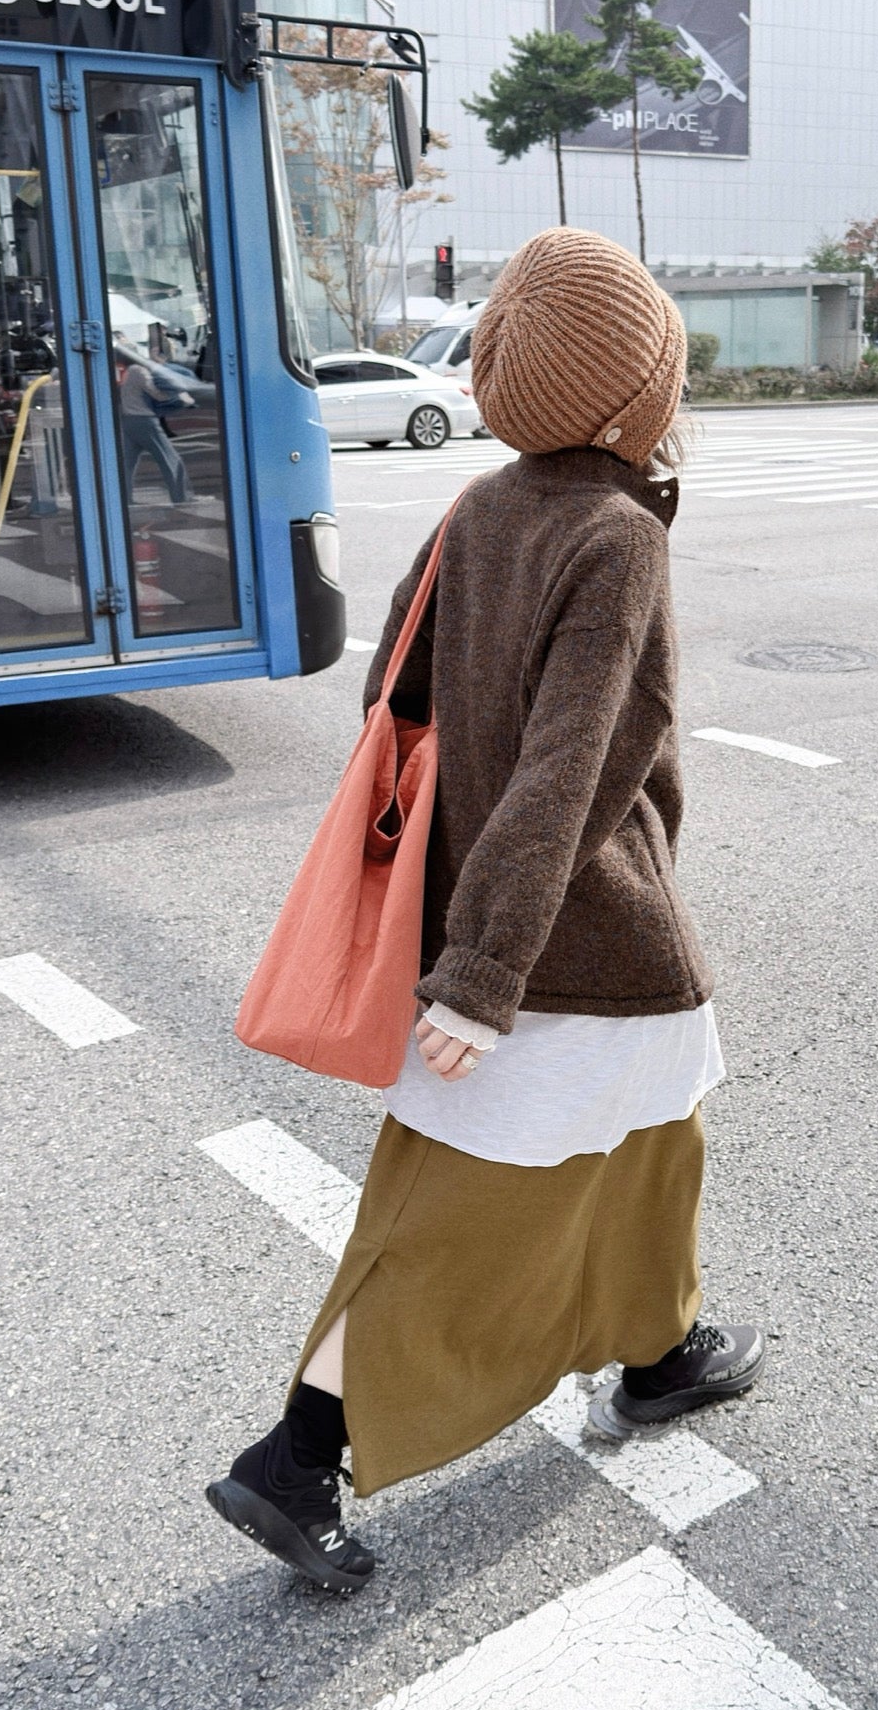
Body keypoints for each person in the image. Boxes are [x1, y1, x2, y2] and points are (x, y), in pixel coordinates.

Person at [206, 227, 764, 1594]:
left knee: (656, 1140)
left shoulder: (480, 508)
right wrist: (483, 972)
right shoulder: (615, 535)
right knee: (453, 1212)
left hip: (495, 916)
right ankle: (299, 1454)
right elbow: (571, 769)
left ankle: (661, 1350)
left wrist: (460, 917)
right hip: (577, 933)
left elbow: (392, 707)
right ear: (633, 396)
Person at [117, 352, 192, 506]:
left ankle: (124, 499)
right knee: (170, 459)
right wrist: (180, 397)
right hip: (144, 420)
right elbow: (157, 394)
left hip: (127, 420)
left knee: (127, 464)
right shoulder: (139, 371)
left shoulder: (125, 371)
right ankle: (181, 497)